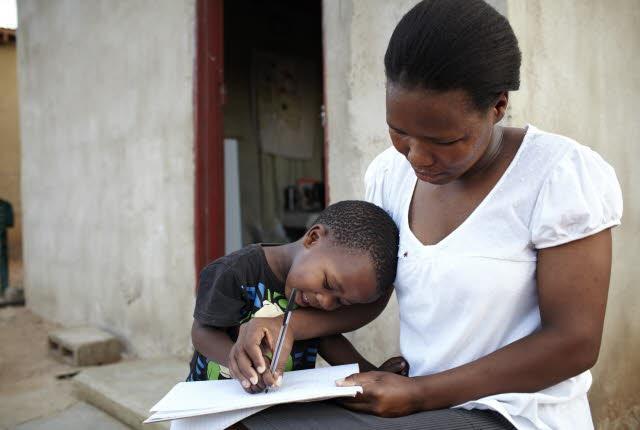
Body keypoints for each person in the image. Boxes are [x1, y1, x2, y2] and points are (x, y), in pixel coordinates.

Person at [228, 1, 623, 429]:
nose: (417, 156)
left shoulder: (557, 174)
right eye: (399, 132)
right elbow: (368, 296)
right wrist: (280, 324)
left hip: (513, 412)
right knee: (249, 422)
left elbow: (574, 343)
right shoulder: (389, 174)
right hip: (420, 407)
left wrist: (420, 394)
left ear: (497, 107)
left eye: (443, 140)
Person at [187, 200, 407, 391]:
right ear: (312, 238)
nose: (326, 301)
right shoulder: (234, 272)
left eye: (340, 301)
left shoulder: (312, 296)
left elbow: (328, 340)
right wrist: (238, 362)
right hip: (213, 403)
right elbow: (202, 332)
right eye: (328, 283)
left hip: (275, 408)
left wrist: (373, 375)